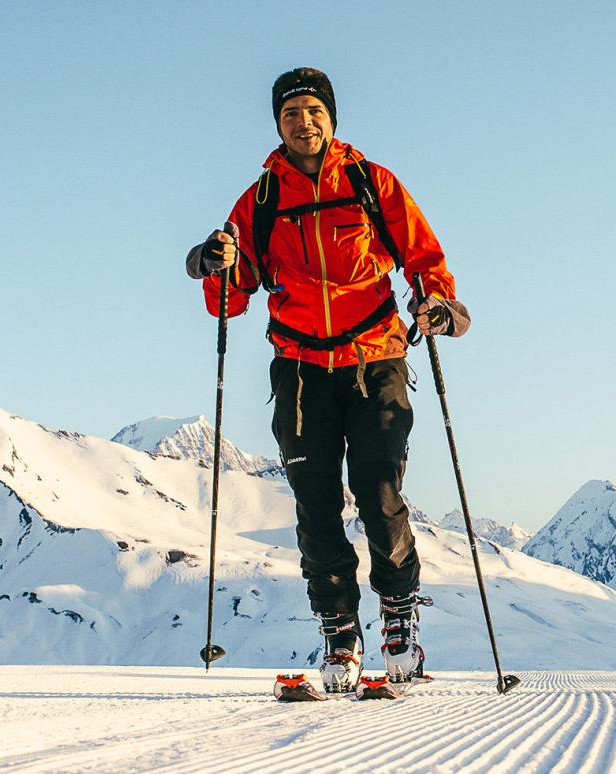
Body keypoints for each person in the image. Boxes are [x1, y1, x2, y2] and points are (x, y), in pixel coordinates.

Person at [184, 67, 469, 693]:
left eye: (313, 111)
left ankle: (397, 622)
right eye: (291, 114)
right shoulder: (260, 200)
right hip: (301, 369)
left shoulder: (372, 183)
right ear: (278, 125)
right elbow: (230, 297)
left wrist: (439, 305)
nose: (303, 122)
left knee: (378, 493)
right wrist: (216, 263)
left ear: (331, 118)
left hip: (375, 361)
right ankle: (340, 633)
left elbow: (425, 261)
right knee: (315, 505)